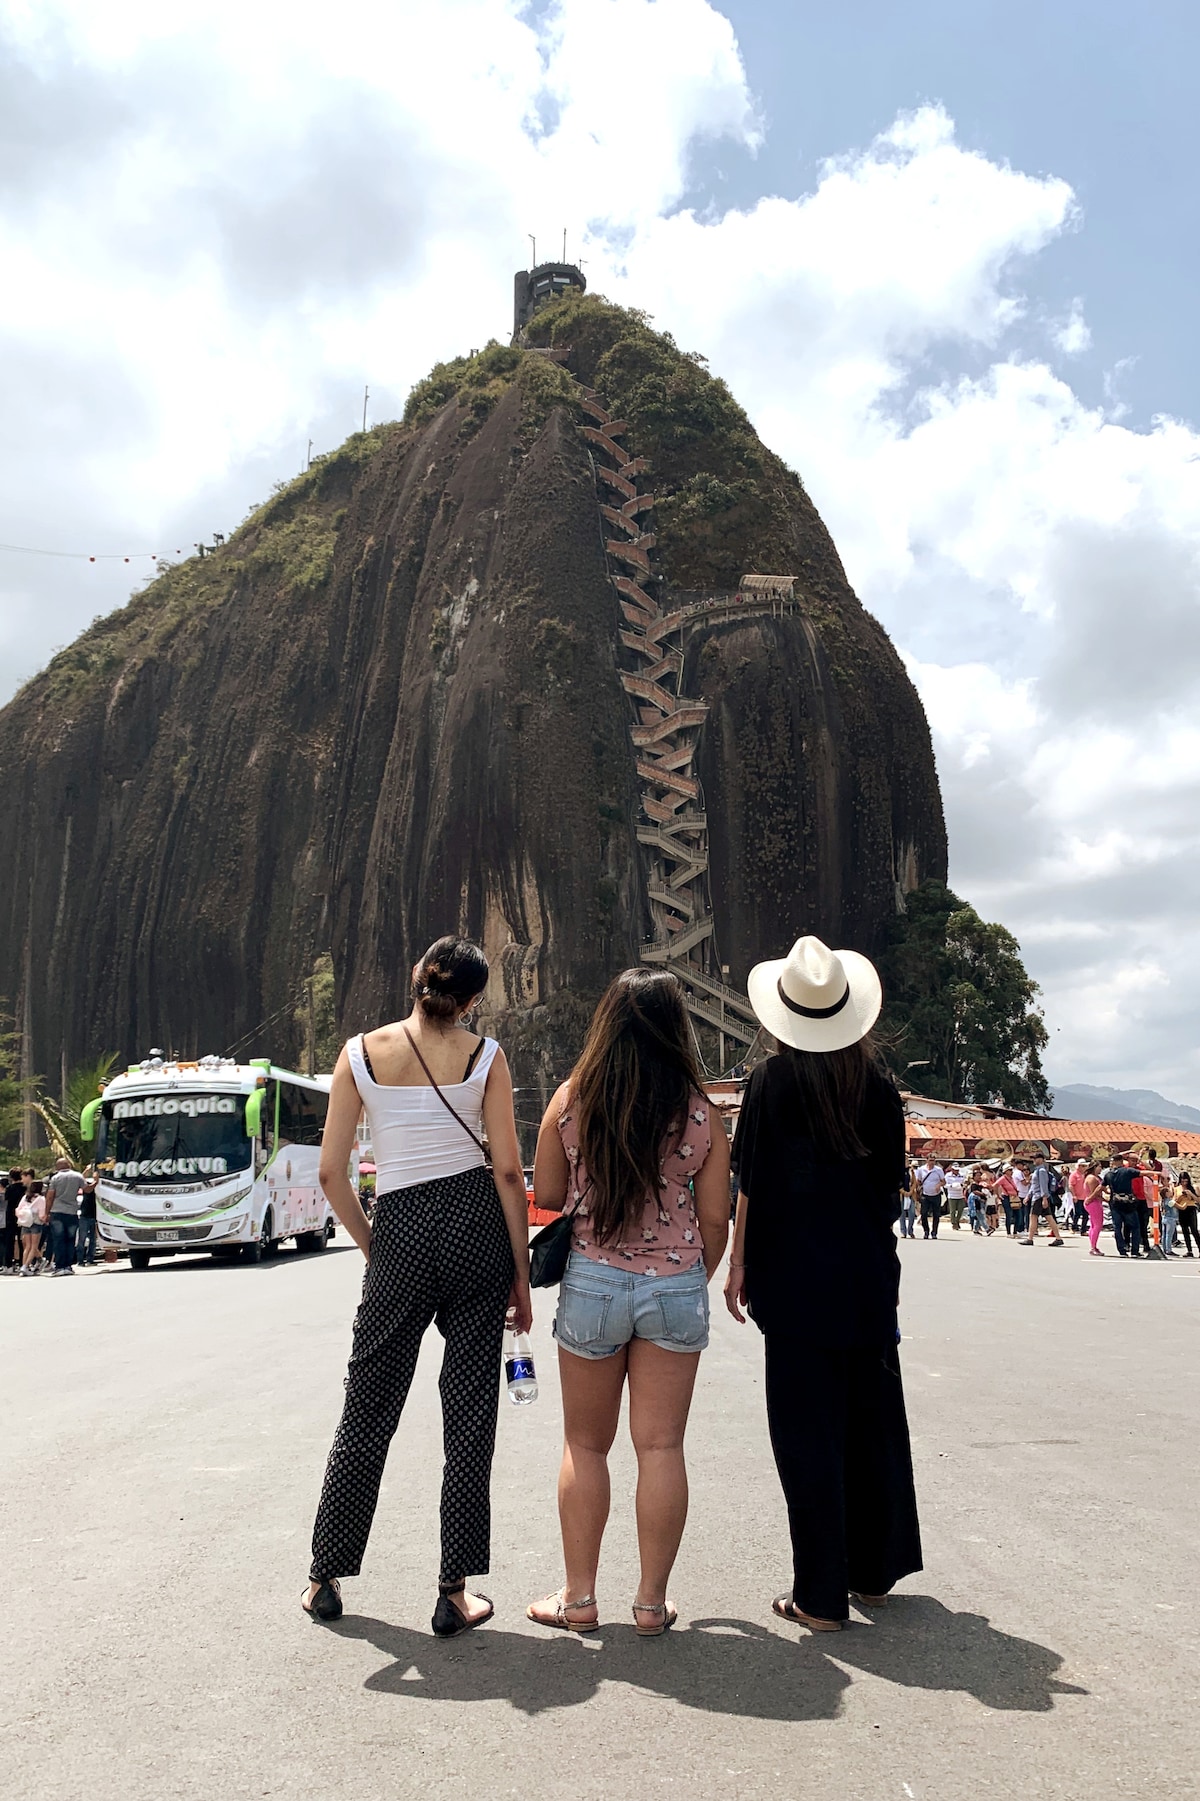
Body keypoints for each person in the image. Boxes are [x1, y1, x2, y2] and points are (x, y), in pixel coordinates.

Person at [305, 936, 532, 1635]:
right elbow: (505, 1171)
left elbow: (331, 1173)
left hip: (399, 1222)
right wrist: (520, 1275)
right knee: (468, 1414)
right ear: (471, 1000)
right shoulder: (485, 1057)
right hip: (473, 1224)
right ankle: (452, 1589)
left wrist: (377, 1246)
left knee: (367, 1405)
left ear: (415, 980)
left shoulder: (359, 1054)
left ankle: (325, 1576)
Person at [725, 934, 922, 1631]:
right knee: (871, 1422)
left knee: (806, 1432)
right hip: (867, 1277)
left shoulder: (771, 1084)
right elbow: (888, 1190)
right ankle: (874, 1571)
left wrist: (738, 1260)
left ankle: (819, 1593)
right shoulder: (879, 1090)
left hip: (794, 1280)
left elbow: (749, 1181)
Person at [526, 969, 730, 1636]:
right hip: (673, 1286)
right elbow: (717, 1218)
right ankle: (649, 1603)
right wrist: (691, 1280)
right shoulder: (701, 1112)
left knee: (585, 1444)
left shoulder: (572, 1099)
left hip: (593, 1281)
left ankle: (579, 1597)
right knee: (662, 1446)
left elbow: (550, 1196)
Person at [46, 1157, 85, 1275]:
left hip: (57, 1211)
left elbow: (50, 1196)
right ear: (68, 1165)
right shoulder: (78, 1176)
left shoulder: (55, 1178)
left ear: (58, 1167)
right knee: (70, 1240)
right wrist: (95, 1181)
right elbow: (87, 1189)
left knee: (59, 1240)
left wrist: (46, 1212)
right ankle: (68, 1266)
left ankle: (60, 1266)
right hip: (72, 1212)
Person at [1103, 1156, 1142, 1258]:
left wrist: (1105, 1193)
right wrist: (1157, 1174)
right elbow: (1143, 1173)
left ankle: (1122, 1250)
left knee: (1117, 1227)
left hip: (1115, 1204)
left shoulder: (1108, 1174)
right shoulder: (1127, 1171)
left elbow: (1102, 1187)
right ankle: (1134, 1251)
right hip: (1128, 1204)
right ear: (1121, 1162)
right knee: (1135, 1227)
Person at [1021, 1154, 1063, 1247]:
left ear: (1041, 1159)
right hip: (1037, 1196)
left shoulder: (1042, 1171)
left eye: (1035, 1158)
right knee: (1049, 1217)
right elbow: (1033, 1185)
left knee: (1033, 1217)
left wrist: (1044, 1198)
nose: (1034, 1160)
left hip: (1039, 1197)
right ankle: (1058, 1238)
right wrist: (1028, 1196)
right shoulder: (1037, 1170)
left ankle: (1030, 1239)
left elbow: (1043, 1185)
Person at [19, 1180, 46, 1274]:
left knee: (27, 1247)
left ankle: (24, 1266)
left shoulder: (25, 1197)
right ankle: (25, 1266)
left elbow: (19, 1209)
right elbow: (42, 1215)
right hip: (36, 1223)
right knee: (34, 1246)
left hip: (26, 1222)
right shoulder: (41, 1199)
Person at [76, 1168, 99, 1266]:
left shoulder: (100, 1187)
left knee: (93, 1240)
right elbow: (81, 1178)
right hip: (85, 1216)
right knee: (82, 1239)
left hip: (95, 1216)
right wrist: (86, 1170)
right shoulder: (88, 1186)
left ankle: (90, 1259)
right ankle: (80, 1260)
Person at [2, 1166, 23, 1273]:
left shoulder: (10, 1189)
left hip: (11, 1216)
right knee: (21, 1240)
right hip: (23, 1216)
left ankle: (8, 1265)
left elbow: (7, 1199)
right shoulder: (25, 1188)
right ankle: (23, 1263)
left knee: (9, 1241)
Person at [1175, 1172, 1200, 1257]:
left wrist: (1191, 1194)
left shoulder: (1194, 1187)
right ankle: (1189, 1250)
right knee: (1185, 1230)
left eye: (1186, 1181)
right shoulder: (1177, 1188)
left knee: (1194, 1230)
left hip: (1191, 1208)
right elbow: (1175, 1201)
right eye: (1182, 1181)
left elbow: (1198, 1200)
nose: (1184, 1183)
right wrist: (1181, 1197)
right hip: (1182, 1209)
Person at [918, 1160, 944, 1239]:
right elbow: (919, 1181)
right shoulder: (921, 1169)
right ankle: (926, 1231)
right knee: (924, 1213)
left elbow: (943, 1181)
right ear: (927, 1161)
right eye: (930, 1160)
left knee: (936, 1215)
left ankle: (934, 1232)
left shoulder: (938, 1170)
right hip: (925, 1195)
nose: (932, 1162)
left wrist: (939, 1185)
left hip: (936, 1195)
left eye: (933, 1161)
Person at [994, 1164, 1019, 1236]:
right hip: (1006, 1197)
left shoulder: (1012, 1178)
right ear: (1006, 1171)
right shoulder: (1003, 1178)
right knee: (1009, 1214)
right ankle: (1008, 1232)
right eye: (1010, 1170)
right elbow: (995, 1185)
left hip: (1014, 1197)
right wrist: (998, 1195)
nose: (1011, 1171)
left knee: (1017, 1215)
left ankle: (1015, 1231)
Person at [944, 1164, 966, 1231]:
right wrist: (951, 1185)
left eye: (957, 1170)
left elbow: (965, 1183)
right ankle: (954, 1223)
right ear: (952, 1169)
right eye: (955, 1170)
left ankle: (957, 1220)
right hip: (952, 1195)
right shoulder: (948, 1175)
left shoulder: (962, 1175)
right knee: (952, 1211)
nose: (956, 1171)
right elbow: (944, 1184)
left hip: (960, 1195)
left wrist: (962, 1185)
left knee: (960, 1209)